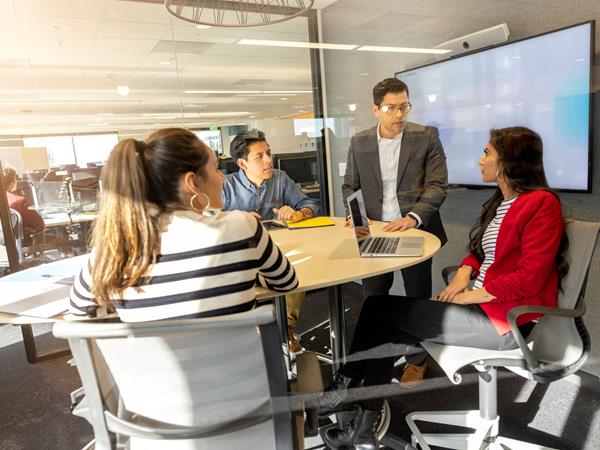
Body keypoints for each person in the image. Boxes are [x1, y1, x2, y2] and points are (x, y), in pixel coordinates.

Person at [322, 126, 569, 450]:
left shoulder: (541, 203)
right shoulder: (502, 202)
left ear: (508, 163)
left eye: (487, 153)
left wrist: (471, 295)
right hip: (478, 308)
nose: (480, 160)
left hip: (503, 323)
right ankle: (362, 430)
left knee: (377, 309)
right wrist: (463, 274)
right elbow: (482, 254)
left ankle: (346, 395)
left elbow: (530, 277)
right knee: (385, 329)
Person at [69, 128, 298, 321]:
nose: (222, 178)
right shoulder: (242, 227)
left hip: (153, 374)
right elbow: (287, 282)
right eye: (215, 168)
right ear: (192, 183)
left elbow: (79, 312)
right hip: (244, 374)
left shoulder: (115, 246)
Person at [342, 77, 448, 384]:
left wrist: (414, 217)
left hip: (416, 231)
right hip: (375, 232)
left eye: (404, 106)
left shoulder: (426, 136)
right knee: (374, 297)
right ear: (376, 109)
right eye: (392, 108)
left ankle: (418, 358)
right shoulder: (359, 141)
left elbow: (437, 185)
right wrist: (356, 216)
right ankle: (376, 357)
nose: (400, 114)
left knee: (417, 298)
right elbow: (351, 184)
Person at [221, 129, 319, 354]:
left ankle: (287, 327)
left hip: (278, 251)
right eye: (260, 156)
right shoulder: (226, 186)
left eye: (269, 153)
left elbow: (309, 204)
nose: (268, 160)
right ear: (242, 163)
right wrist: (237, 219)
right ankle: (249, 330)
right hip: (242, 256)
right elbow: (209, 219)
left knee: (297, 270)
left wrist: (298, 213)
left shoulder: (280, 178)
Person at [1, 167, 45, 246]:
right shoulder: (19, 201)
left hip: (4, 243)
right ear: (12, 182)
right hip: (25, 242)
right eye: (15, 179)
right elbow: (39, 225)